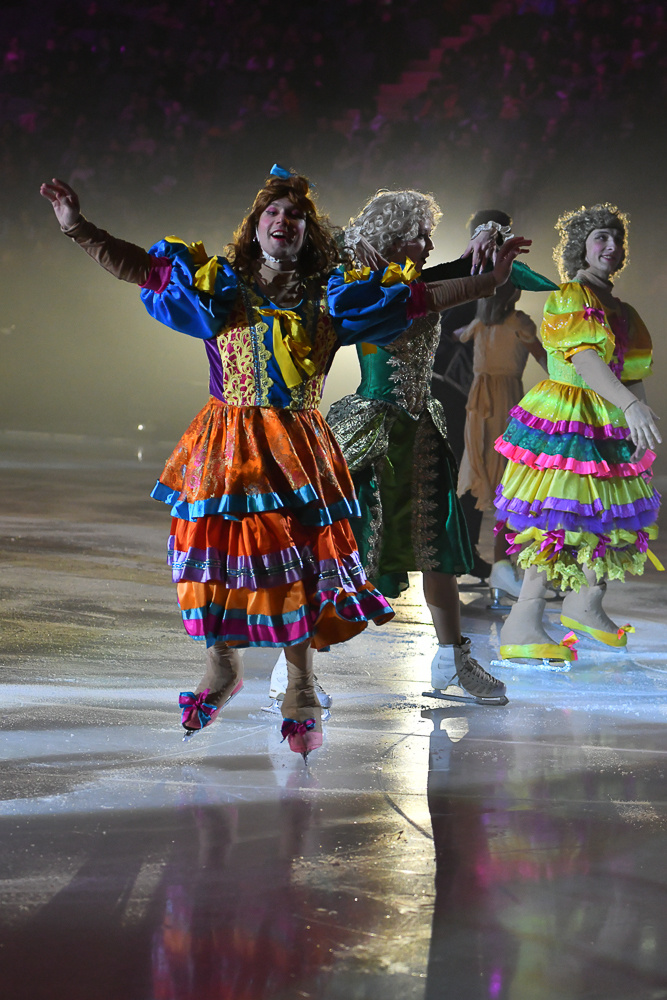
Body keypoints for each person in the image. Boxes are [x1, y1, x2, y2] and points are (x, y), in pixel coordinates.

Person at [39, 167, 522, 755]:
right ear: (256, 226)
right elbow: (142, 267)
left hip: (297, 447)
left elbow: (418, 295)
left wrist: (485, 281)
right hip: (226, 444)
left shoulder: (331, 297)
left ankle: (302, 683)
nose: (283, 221)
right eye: (273, 212)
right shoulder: (220, 285)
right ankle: (222, 668)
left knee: (297, 566)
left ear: (307, 233)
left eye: (295, 215)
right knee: (213, 563)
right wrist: (78, 228)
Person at [326, 189, 531, 704]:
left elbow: (449, 274)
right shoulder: (363, 288)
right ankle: (297, 668)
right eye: (418, 235)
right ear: (392, 239)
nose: (427, 243)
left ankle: (452, 659)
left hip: (420, 431)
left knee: (440, 550)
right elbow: (433, 290)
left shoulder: (417, 279)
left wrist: (485, 245)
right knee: (343, 553)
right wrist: (478, 272)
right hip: (373, 433)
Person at [495, 203, 661, 663]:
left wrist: (638, 416)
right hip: (567, 419)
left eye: (615, 237)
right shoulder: (572, 295)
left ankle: (584, 605)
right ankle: (523, 623)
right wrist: (628, 406)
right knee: (557, 520)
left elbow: (629, 372)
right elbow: (586, 360)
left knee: (604, 516)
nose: (609, 245)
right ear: (580, 248)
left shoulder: (621, 309)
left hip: (605, 418)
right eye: (598, 238)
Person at [431, 209, 514, 582]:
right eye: (490, 233)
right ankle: (442, 551)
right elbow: (437, 324)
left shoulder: (507, 276)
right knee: (452, 470)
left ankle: (466, 552)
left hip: (482, 386)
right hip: (445, 384)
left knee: (476, 469)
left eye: (502, 234)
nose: (495, 240)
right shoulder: (460, 271)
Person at [455, 279, 549, 603]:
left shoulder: (479, 324)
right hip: (501, 404)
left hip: (480, 406)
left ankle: (502, 565)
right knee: (507, 484)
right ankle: (502, 564)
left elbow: (457, 336)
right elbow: (544, 358)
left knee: (498, 483)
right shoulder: (516, 321)